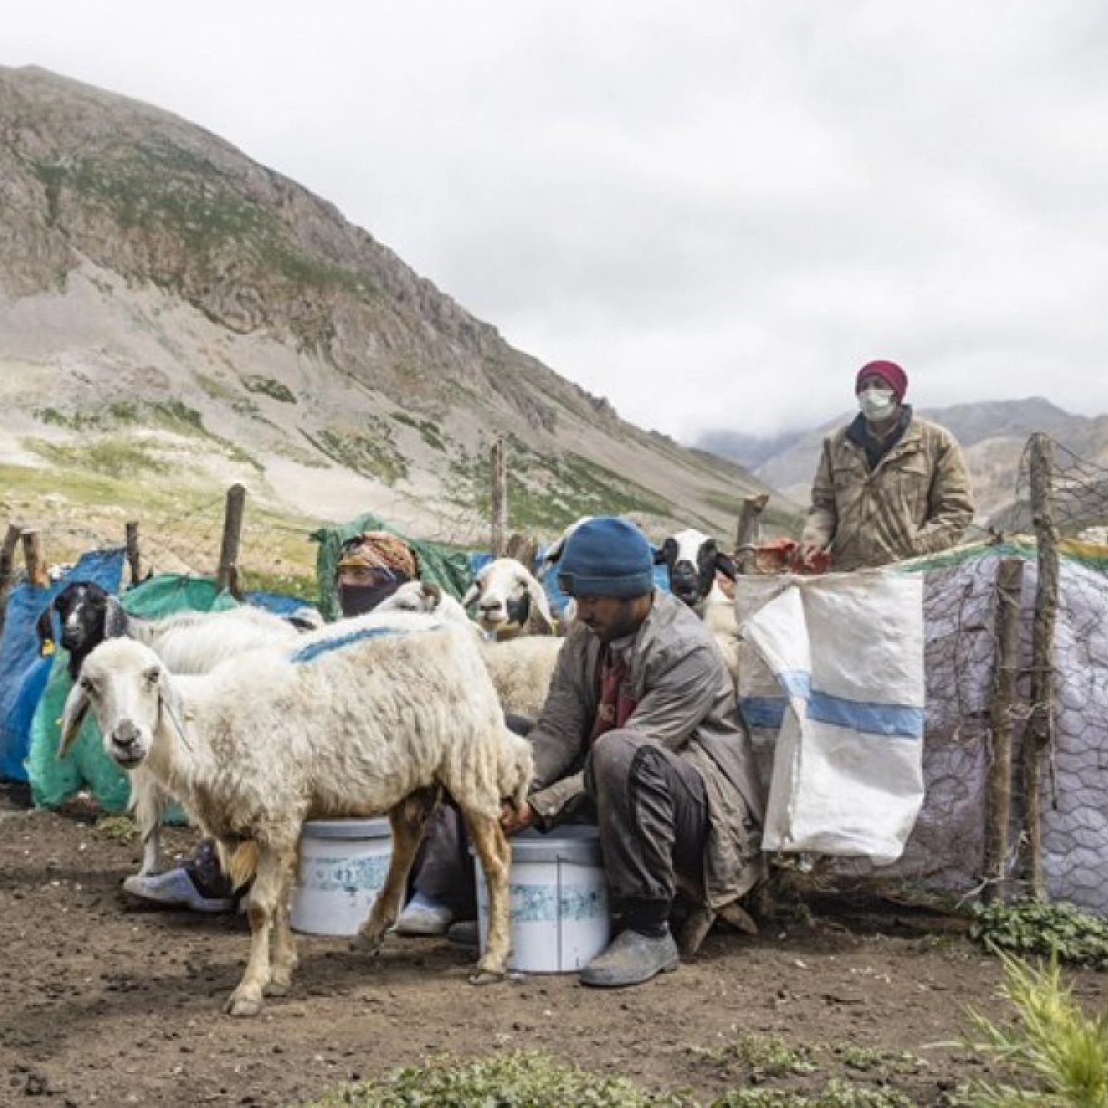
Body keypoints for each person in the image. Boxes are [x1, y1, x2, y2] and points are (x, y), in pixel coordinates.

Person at [394, 516, 765, 988]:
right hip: (615, 774)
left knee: (619, 751)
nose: (582, 610)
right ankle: (498, 903)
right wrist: (515, 784)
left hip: (702, 807)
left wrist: (538, 806)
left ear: (633, 593)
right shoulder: (588, 635)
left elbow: (640, 747)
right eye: (578, 597)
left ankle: (648, 927)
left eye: (593, 599)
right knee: (497, 740)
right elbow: (559, 728)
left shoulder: (686, 651)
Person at [120, 530, 421, 911]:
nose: (348, 584)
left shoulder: (412, 639)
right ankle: (227, 874)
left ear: (393, 583)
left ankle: (220, 879)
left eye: (361, 575)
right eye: (344, 574)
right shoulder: (339, 635)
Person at [799, 358, 974, 573]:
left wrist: (918, 549)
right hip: (848, 573)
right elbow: (824, 505)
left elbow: (956, 510)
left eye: (879, 385)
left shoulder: (935, 441)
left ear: (897, 392)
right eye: (864, 387)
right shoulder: (837, 443)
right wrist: (815, 537)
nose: (870, 393)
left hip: (910, 573)